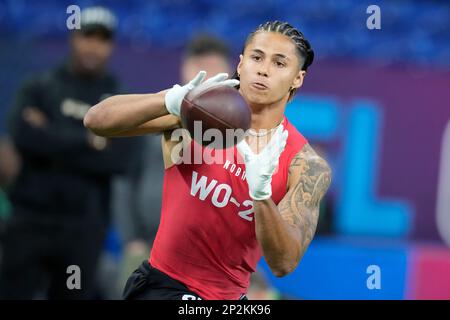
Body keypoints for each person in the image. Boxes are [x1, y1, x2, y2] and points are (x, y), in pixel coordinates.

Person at [84, 21, 332, 300]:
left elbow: (283, 263)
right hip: (163, 286)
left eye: (279, 63)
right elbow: (96, 120)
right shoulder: (198, 116)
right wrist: (168, 100)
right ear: (240, 64)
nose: (263, 69)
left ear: (297, 78)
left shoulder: (305, 164)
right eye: (257, 57)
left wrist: (261, 196)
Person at [0, 7, 137, 299]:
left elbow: (121, 160)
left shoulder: (118, 99)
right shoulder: (40, 86)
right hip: (29, 219)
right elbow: (23, 136)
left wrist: (49, 134)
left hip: (82, 230)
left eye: (102, 39)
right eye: (87, 36)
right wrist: (89, 140)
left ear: (111, 46)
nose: (93, 46)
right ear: (74, 38)